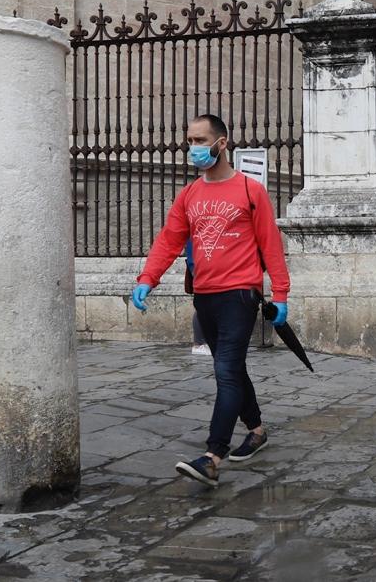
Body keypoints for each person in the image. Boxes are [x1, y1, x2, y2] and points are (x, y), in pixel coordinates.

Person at [130, 113, 291, 488]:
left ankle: (212, 456)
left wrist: (280, 293)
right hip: (205, 296)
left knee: (226, 372)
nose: (194, 148)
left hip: (240, 295)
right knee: (230, 367)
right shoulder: (189, 195)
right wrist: (147, 278)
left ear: (222, 143)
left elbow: (271, 245)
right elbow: (169, 240)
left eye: (201, 140)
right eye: (190, 140)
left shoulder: (251, 192)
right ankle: (257, 430)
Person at [186, 239, 210, 356]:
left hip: (202, 265)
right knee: (204, 304)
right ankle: (199, 343)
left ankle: (202, 342)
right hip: (199, 265)